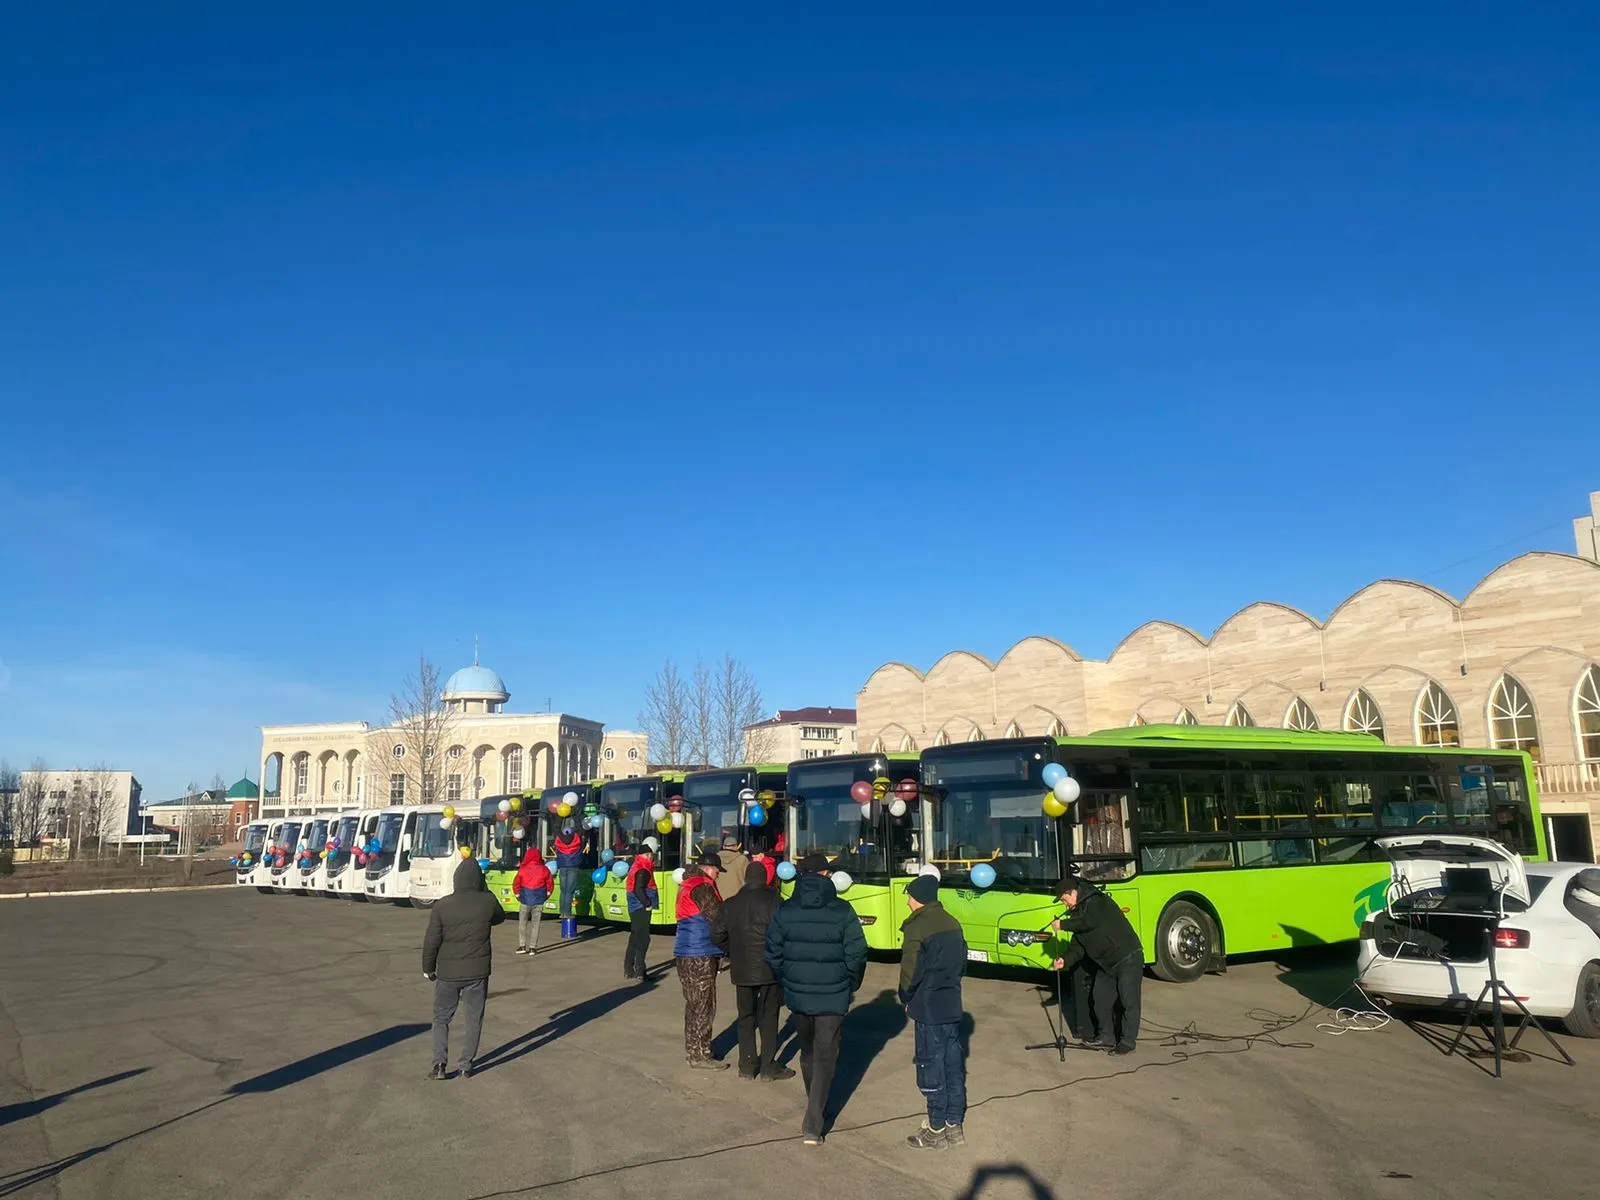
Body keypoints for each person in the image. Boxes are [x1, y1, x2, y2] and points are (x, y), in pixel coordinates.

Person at [765, 852, 869, 1146]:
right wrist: (851, 982)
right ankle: (814, 1120)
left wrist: (786, 978)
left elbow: (772, 952)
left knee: (809, 1050)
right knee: (825, 1053)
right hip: (833, 996)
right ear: (825, 875)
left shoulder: (786, 910)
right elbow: (857, 953)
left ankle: (815, 1103)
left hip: (798, 994)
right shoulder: (842, 910)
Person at [898, 874, 967, 1149]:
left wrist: (906, 996)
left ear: (917, 898)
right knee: (952, 1064)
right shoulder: (952, 922)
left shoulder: (919, 927)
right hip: (951, 1001)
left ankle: (935, 1128)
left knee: (930, 1064)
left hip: (928, 1006)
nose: (907, 901)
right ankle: (954, 1124)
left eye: (909, 896)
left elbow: (910, 970)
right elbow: (963, 963)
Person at [422, 857, 506, 1080]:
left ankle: (439, 1064)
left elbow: (432, 940)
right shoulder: (487, 902)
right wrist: (484, 889)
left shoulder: (442, 905)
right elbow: (500, 917)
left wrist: (428, 968)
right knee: (473, 1019)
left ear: (455, 879)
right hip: (477, 971)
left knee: (441, 1018)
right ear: (478, 879)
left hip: (448, 972)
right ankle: (465, 1065)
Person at [1050, 875, 1143, 1055]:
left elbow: (1090, 921)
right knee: (1099, 999)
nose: (1064, 904)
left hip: (1127, 957)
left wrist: (1063, 924)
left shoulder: (1096, 900)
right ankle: (1106, 1037)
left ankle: (1127, 1042)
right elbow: (1078, 948)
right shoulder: (1077, 915)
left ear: (1073, 893)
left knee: (1128, 1001)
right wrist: (1065, 960)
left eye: (1064, 899)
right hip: (1106, 964)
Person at [723, 861, 794, 1082]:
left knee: (745, 1016)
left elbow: (716, 933)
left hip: (742, 968)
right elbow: (787, 932)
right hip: (770, 968)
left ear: (746, 878)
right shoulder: (776, 901)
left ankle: (746, 1065)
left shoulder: (731, 904)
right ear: (766, 878)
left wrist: (731, 950)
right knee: (769, 1016)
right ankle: (768, 1066)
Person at [675, 851, 728, 1068]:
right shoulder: (703, 887)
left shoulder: (688, 884)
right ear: (708, 868)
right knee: (704, 1005)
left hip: (687, 951)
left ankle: (695, 1051)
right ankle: (701, 1055)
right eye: (717, 871)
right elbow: (717, 917)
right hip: (700, 952)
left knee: (694, 1004)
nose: (718, 875)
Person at [624, 840, 659, 981]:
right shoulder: (643, 869)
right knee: (643, 939)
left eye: (651, 854)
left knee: (634, 937)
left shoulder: (635, 866)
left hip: (634, 907)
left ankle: (628, 968)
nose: (651, 857)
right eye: (648, 854)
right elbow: (638, 889)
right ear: (643, 855)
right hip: (640, 907)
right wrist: (647, 903)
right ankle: (640, 970)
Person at [512, 847, 553, 955]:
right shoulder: (544, 869)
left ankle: (522, 946)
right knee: (536, 924)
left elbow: (516, 883)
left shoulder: (523, 869)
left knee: (522, 923)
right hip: (539, 900)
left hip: (525, 899)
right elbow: (550, 885)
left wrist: (517, 895)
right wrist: (546, 895)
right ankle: (533, 948)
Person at [553, 825, 586, 933]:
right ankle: (567, 912)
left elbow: (556, 828)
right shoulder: (576, 840)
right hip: (573, 867)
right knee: (569, 891)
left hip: (562, 867)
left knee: (563, 890)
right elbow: (580, 830)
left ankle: (562, 911)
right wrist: (576, 815)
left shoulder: (558, 841)